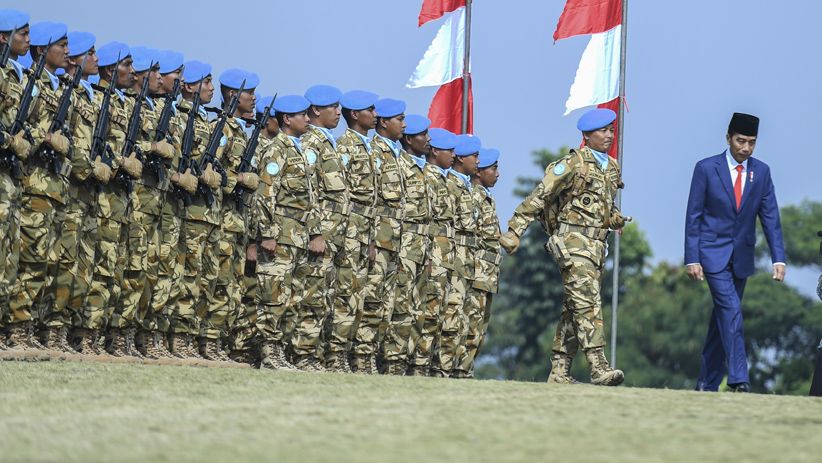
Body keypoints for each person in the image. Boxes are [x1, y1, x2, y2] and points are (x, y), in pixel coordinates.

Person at [500, 108, 627, 386]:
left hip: (596, 246)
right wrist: (514, 229)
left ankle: (559, 371)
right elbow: (540, 194)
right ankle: (598, 366)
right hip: (571, 243)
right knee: (588, 303)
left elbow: (604, 206)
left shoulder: (612, 167)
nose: (609, 135)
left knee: (574, 307)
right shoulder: (572, 164)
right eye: (602, 131)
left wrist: (615, 218)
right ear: (586, 135)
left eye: (611, 130)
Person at [685, 112, 786, 393]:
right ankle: (739, 378)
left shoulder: (762, 172)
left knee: (721, 322)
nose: (745, 148)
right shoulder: (706, 168)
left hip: (742, 258)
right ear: (728, 137)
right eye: (740, 141)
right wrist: (692, 257)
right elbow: (693, 215)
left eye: (751, 142)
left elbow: (770, 217)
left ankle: (706, 384)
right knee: (731, 312)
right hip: (711, 254)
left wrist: (779, 258)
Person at [10, 21, 73, 351]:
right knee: (25, 259)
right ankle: (16, 329)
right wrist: (44, 138)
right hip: (30, 183)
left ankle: (27, 328)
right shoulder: (28, 82)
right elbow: (25, 126)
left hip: (52, 187)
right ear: (41, 51)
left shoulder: (59, 87)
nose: (67, 50)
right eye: (60, 44)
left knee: (46, 263)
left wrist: (61, 142)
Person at [326, 89, 379, 373]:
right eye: (370, 110)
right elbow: (342, 196)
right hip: (348, 232)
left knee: (360, 297)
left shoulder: (369, 148)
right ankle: (335, 357)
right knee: (344, 295)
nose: (375, 115)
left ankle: (349, 357)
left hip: (363, 234)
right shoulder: (344, 146)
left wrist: (369, 239)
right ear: (355, 115)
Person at [298, 84, 347, 369]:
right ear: (316, 110)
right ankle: (303, 355)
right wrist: (316, 232)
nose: (339, 113)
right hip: (320, 235)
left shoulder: (328, 143)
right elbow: (309, 192)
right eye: (333, 107)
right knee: (312, 296)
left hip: (334, 235)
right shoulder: (311, 144)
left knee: (327, 297)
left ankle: (314, 355)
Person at [358, 98, 406, 374]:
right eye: (399, 119)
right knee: (371, 298)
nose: (405, 124)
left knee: (387, 303)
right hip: (377, 238)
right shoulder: (374, 152)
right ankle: (362, 358)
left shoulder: (395, 154)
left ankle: (372, 358)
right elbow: (371, 201)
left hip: (396, 241)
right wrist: (372, 239)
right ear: (385, 123)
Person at [383, 113, 433, 375]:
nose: (428, 140)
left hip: (421, 247)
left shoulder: (425, 169)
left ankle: (406, 361)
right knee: (399, 305)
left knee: (416, 309)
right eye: (423, 135)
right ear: (410, 139)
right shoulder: (399, 165)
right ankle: (392, 362)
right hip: (403, 245)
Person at [408, 127, 457, 376]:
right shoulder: (425, 176)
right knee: (422, 312)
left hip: (442, 257)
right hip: (428, 254)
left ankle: (427, 366)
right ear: (435, 151)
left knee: (439, 316)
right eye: (450, 150)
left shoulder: (442, 179)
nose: (454, 156)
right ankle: (416, 365)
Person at [0, 8, 32, 350]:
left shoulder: (14, 73)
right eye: (21, 33)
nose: (27, 39)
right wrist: (11, 141)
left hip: (10, 179)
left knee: (9, 257)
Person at [456, 147, 502, 377]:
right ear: (479, 172)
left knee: (478, 328)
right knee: (469, 326)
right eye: (493, 168)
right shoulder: (473, 196)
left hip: (487, 274)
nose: (498, 174)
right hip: (476, 273)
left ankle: (466, 370)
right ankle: (459, 370)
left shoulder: (486, 197)